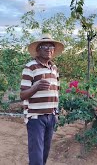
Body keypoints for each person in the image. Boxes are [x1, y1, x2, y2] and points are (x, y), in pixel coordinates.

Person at [20, 33, 64, 165]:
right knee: (36, 156)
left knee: (44, 154)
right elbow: (22, 95)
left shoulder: (54, 68)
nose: (48, 49)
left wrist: (56, 112)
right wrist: (36, 86)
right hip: (35, 118)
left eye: (51, 46)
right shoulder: (30, 67)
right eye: (45, 46)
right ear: (38, 49)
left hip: (51, 116)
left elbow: (56, 92)